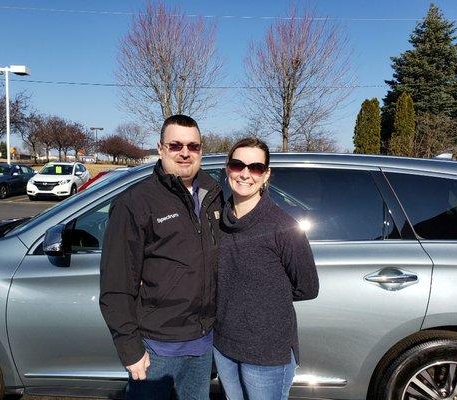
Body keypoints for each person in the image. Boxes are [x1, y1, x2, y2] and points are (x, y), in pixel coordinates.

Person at [99, 114, 223, 400]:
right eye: (175, 145)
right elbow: (116, 283)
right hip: (157, 347)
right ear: (160, 148)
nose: (184, 153)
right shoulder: (136, 202)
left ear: (201, 150)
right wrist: (130, 348)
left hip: (202, 345)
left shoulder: (213, 195)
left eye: (193, 146)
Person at [214, 137, 319, 400]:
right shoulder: (216, 221)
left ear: (266, 174)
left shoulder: (283, 227)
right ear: (228, 168)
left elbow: (307, 287)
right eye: (238, 164)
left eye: (256, 167)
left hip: (267, 350)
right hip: (224, 343)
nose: (245, 174)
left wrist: (262, 298)